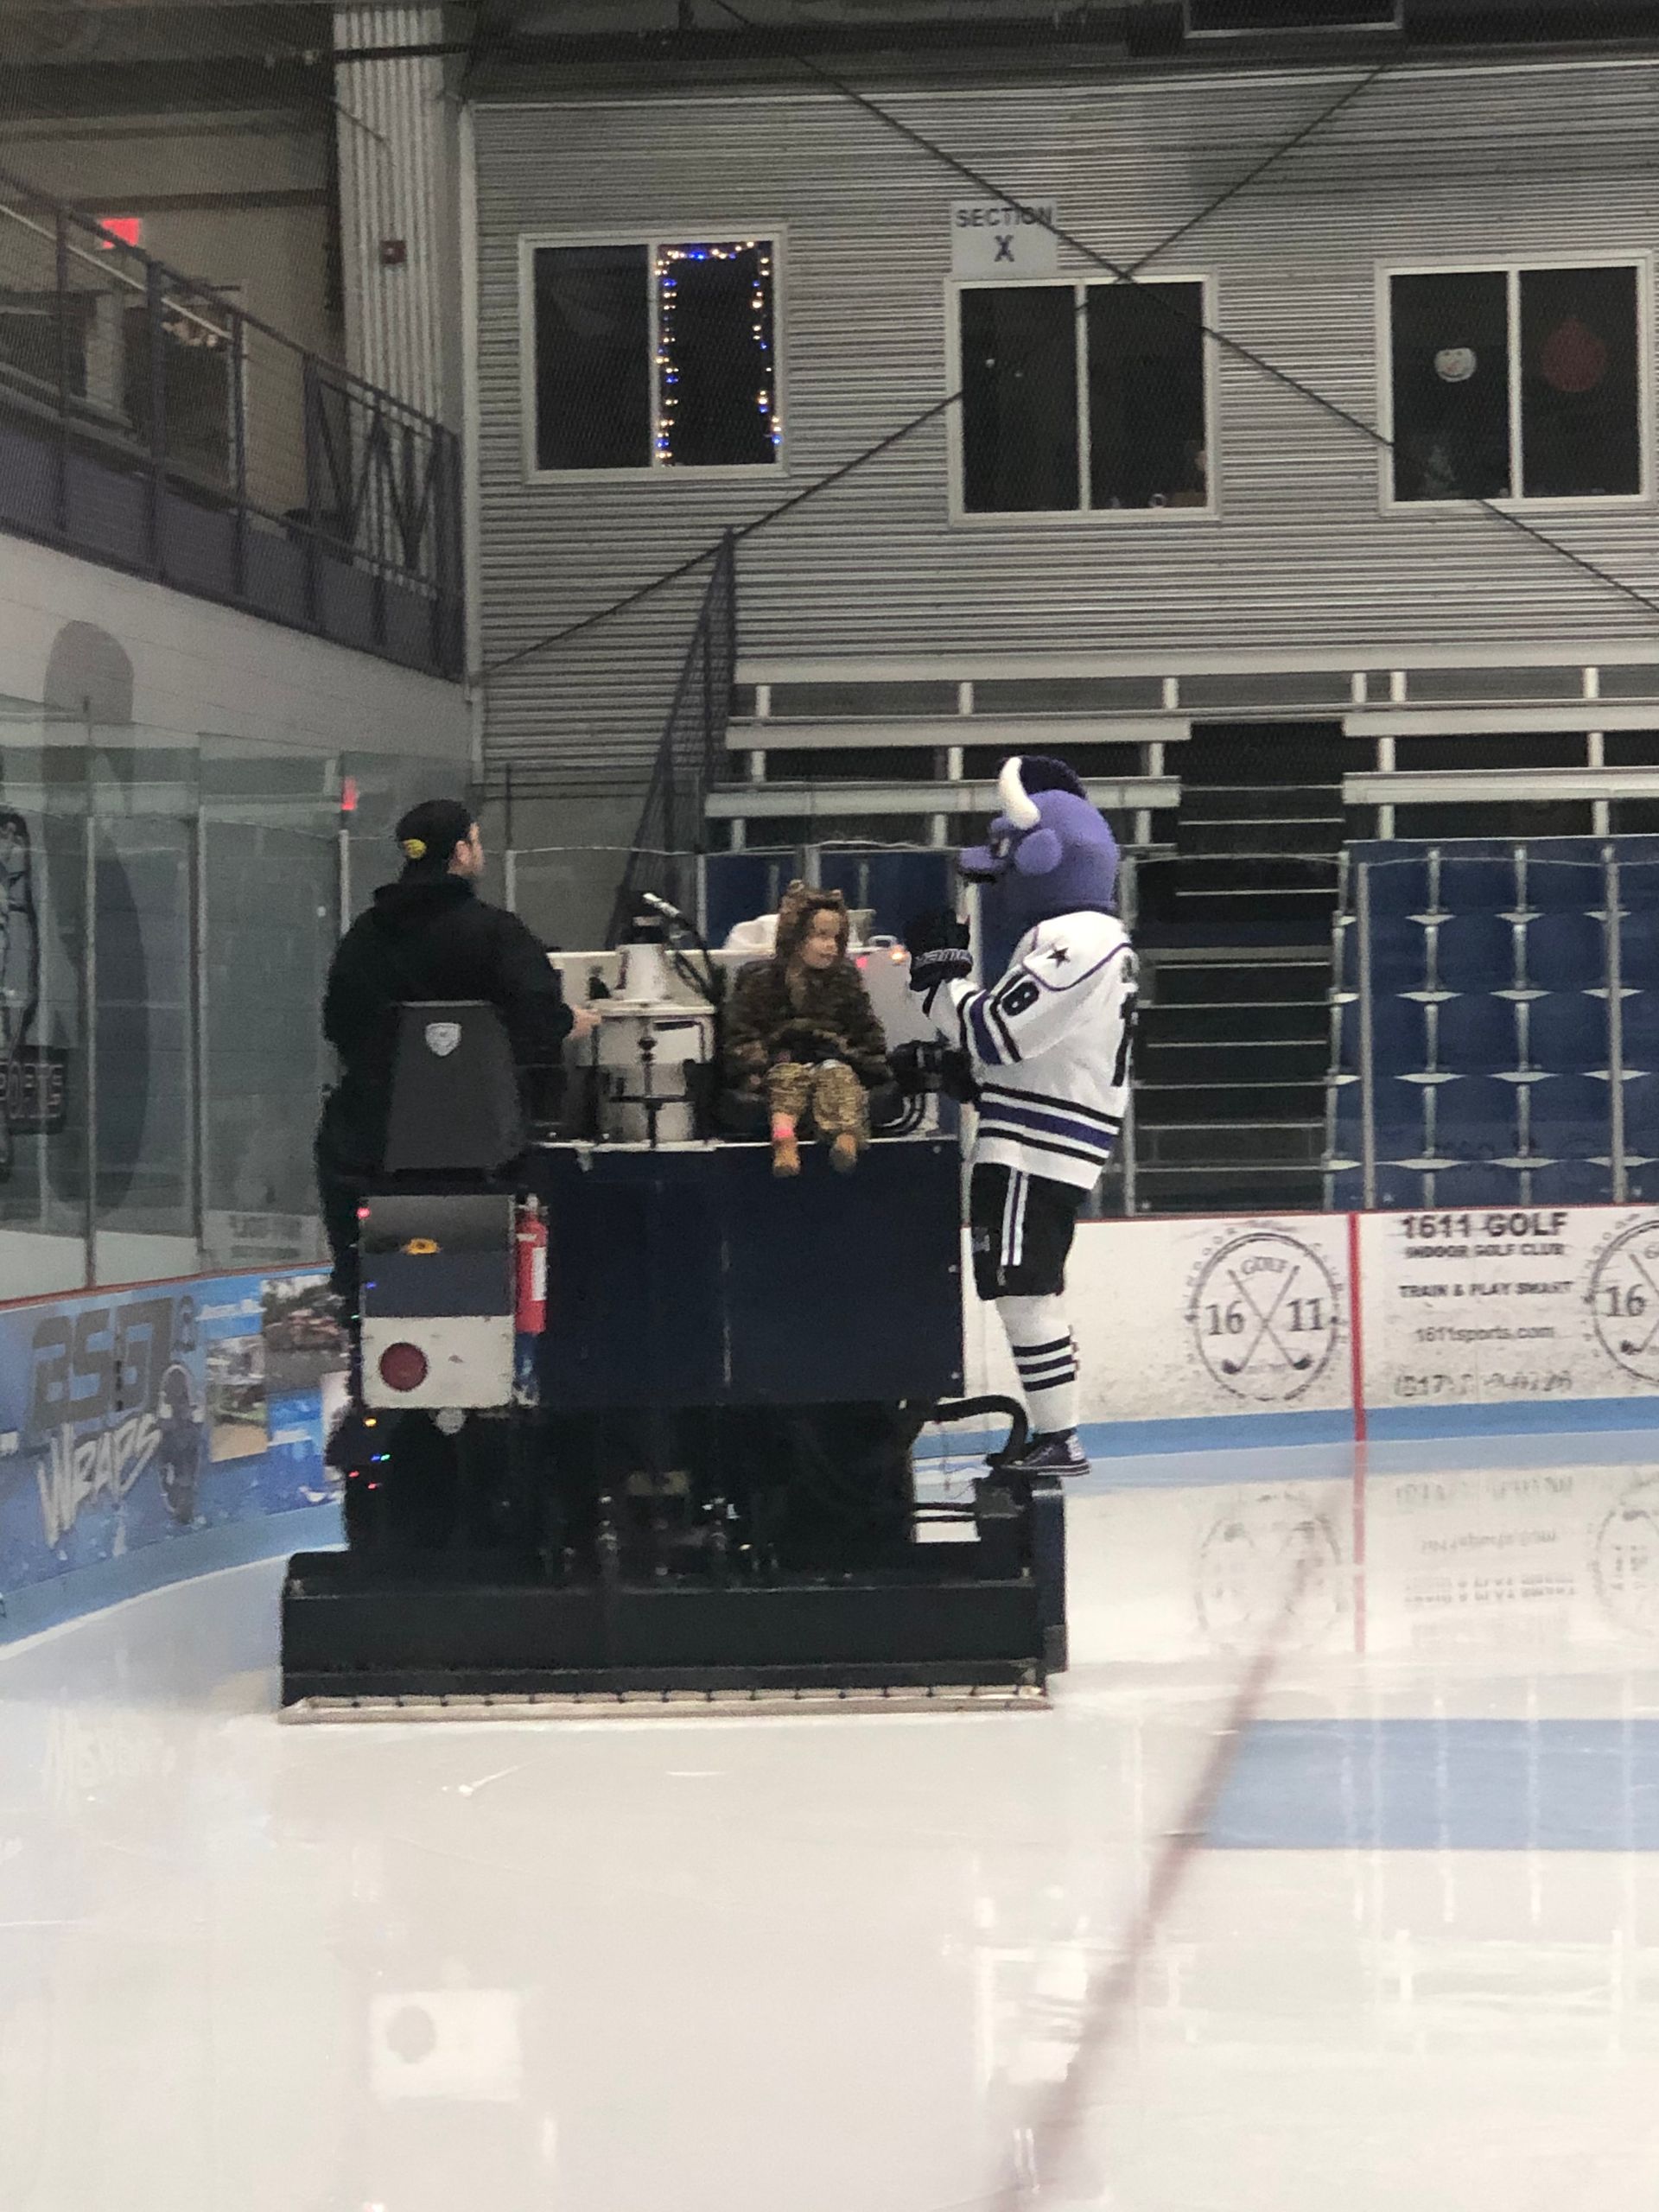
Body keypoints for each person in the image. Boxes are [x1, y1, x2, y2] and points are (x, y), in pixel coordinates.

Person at [905, 757, 1136, 1476]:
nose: (992, 881)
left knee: (1024, 1288)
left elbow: (997, 1035)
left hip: (1037, 1146)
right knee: (1024, 1287)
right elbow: (1015, 1054)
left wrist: (942, 980)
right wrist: (972, 1079)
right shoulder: (1082, 937)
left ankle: (1059, 1436)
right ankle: (1054, 1432)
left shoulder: (1077, 940)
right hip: (1039, 1131)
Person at [315, 797, 597, 1300]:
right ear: (462, 853)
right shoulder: (497, 934)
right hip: (486, 1145)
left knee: (335, 1139)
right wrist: (570, 1022)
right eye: (476, 839)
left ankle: (354, 1287)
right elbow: (537, 1019)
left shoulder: (364, 939)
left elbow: (339, 1026)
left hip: (376, 1146)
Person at [721, 880, 891, 1176]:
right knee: (788, 1079)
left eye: (837, 938)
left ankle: (846, 1140)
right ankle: (784, 1143)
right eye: (821, 936)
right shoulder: (760, 982)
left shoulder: (846, 981)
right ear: (796, 938)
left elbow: (869, 1038)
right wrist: (768, 1057)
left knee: (838, 1079)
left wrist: (846, 1054)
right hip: (780, 1065)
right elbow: (740, 1038)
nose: (831, 946)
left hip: (834, 1063)